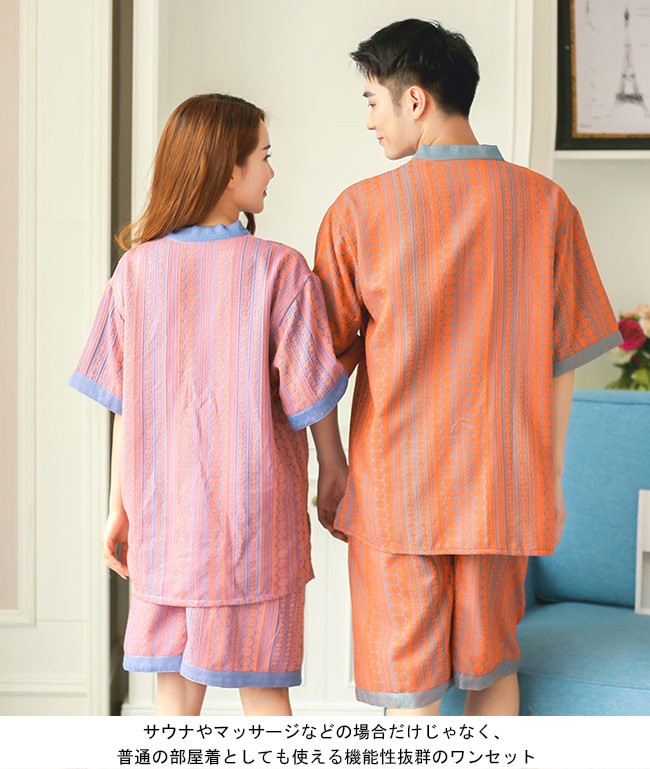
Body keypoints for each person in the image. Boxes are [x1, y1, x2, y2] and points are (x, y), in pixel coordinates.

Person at [313, 19, 622, 716]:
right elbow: (561, 361)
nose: (369, 121)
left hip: (394, 492)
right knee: (493, 669)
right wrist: (548, 476)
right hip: (501, 487)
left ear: (414, 99)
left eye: (372, 101)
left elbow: (318, 364)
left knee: (409, 696)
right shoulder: (546, 204)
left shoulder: (358, 212)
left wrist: (332, 468)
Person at [69, 93, 354, 716]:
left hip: (164, 522)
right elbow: (310, 394)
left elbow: (126, 406)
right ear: (230, 168)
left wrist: (118, 508)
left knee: (173, 705)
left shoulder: (136, 271)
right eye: (265, 156)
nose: (272, 171)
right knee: (266, 697)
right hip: (258, 529)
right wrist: (334, 470)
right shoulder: (278, 269)